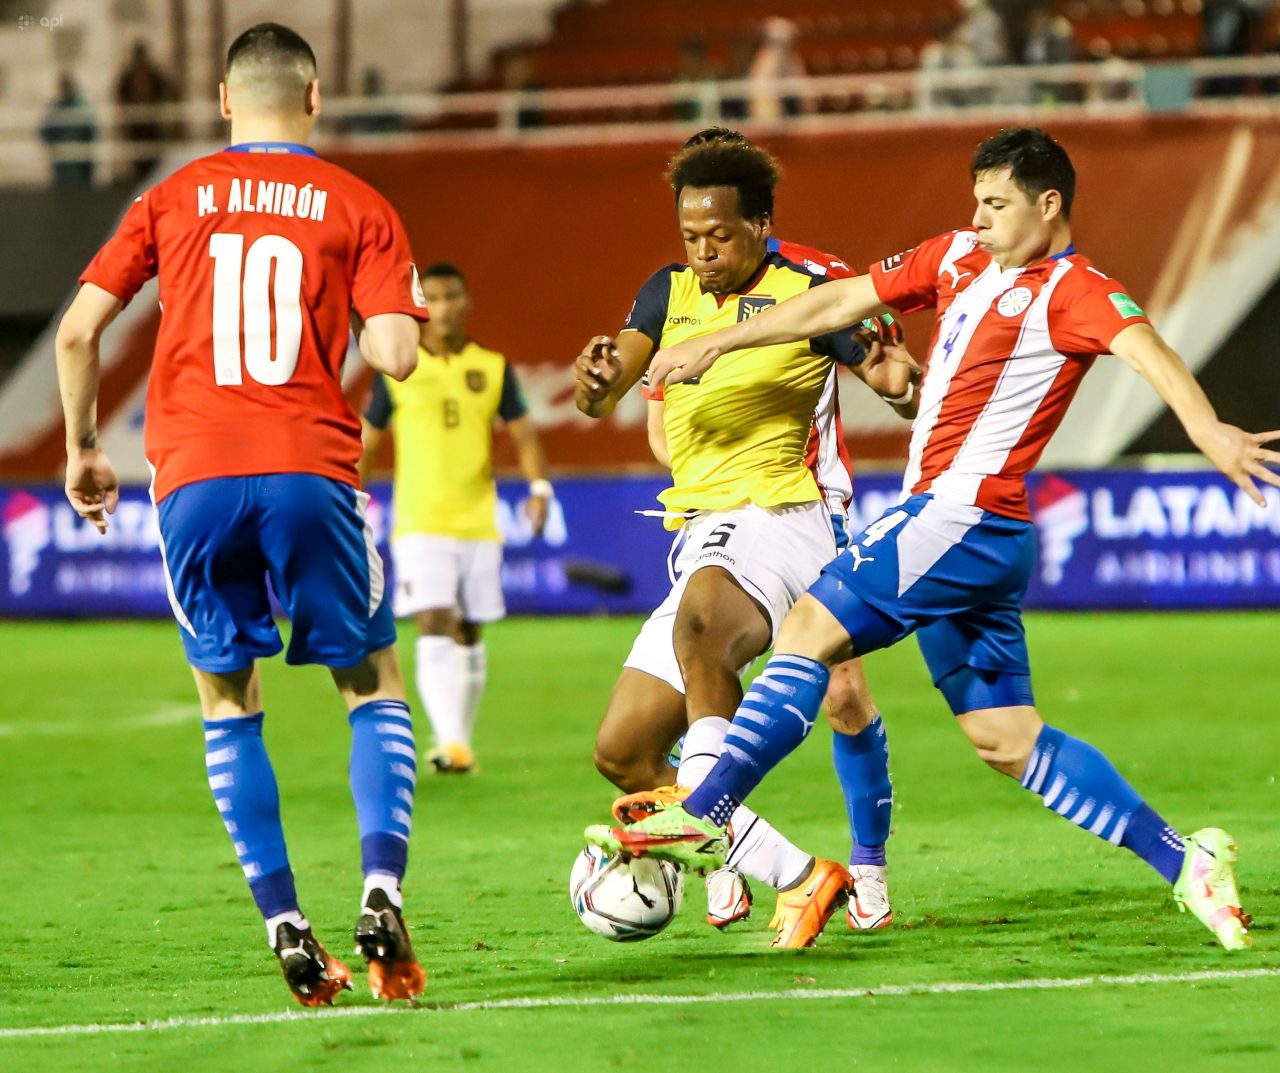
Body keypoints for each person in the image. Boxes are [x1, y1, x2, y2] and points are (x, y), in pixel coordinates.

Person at [591, 127, 1274, 953]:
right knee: (1007, 738)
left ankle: (701, 813)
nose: (979, 219)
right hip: (976, 535)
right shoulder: (956, 256)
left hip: (961, 512)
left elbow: (1149, 351)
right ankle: (1185, 859)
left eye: (996, 204)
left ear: (1048, 204)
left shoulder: (1073, 288)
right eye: (975, 202)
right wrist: (724, 337)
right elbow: (842, 302)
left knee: (809, 628)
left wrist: (1211, 432)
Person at [55, 22, 432, 1006]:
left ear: (225, 102)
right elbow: (394, 357)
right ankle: (382, 888)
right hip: (309, 466)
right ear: (314, 98)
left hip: (192, 475)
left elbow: (78, 330)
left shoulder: (170, 197)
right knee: (370, 678)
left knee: (227, 697)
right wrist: (388, 299)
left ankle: (283, 919)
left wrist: (83, 445)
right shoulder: (359, 204)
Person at [574, 130, 917, 945]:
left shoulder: (807, 292)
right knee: (623, 750)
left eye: (719, 235)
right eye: (690, 235)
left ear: (760, 223)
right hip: (701, 529)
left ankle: (851, 863)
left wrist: (899, 383)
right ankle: (780, 865)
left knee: (793, 671)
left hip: (783, 516)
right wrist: (595, 382)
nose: (703, 252)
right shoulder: (666, 292)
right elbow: (610, 380)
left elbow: (887, 376)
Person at [360, 261, 552, 775]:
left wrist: (538, 487)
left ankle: (459, 740)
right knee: (434, 619)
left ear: (466, 303)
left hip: (477, 519)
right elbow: (369, 440)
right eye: (434, 298)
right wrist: (349, 496)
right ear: (422, 306)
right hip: (420, 519)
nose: (442, 307)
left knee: (468, 630)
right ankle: (448, 740)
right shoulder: (399, 368)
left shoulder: (491, 366)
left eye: (452, 297)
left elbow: (524, 432)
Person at [115, 39, 171, 179]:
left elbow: (163, 93)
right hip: (136, 123)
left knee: (152, 155)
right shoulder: (128, 76)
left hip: (151, 122)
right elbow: (121, 96)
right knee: (138, 155)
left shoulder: (153, 74)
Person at [39, 73, 97, 185]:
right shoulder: (55, 109)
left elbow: (92, 131)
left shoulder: (82, 107)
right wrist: (55, 146)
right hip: (61, 166)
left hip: (82, 164)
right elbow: (45, 132)